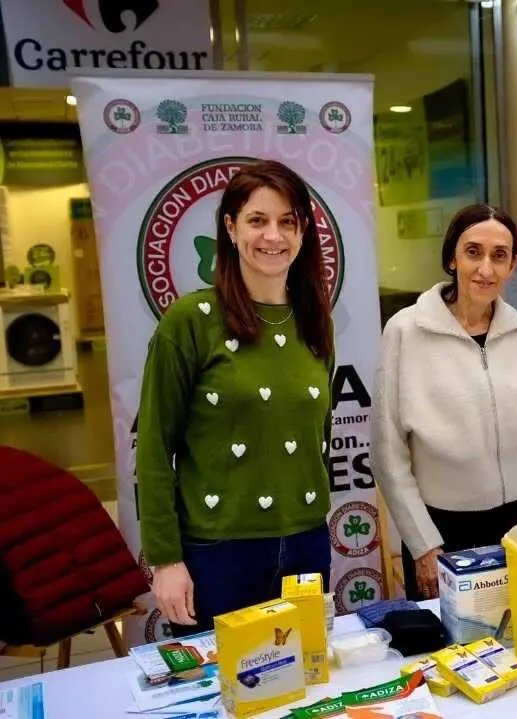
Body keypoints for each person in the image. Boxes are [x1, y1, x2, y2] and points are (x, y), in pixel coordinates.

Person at [136, 160, 335, 635]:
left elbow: (316, 435)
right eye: (257, 220)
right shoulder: (190, 321)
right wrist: (165, 560)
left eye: (287, 221)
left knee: (301, 690)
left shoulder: (313, 321)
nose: (273, 236)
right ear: (229, 228)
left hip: (306, 542)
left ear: (303, 231)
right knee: (220, 698)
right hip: (218, 552)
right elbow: (154, 447)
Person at [372, 204, 517, 601]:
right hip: (444, 529)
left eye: (499, 256)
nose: (486, 268)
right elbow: (388, 453)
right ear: (452, 257)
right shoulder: (405, 331)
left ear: (512, 265)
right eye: (473, 252)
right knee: (451, 655)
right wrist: (422, 544)